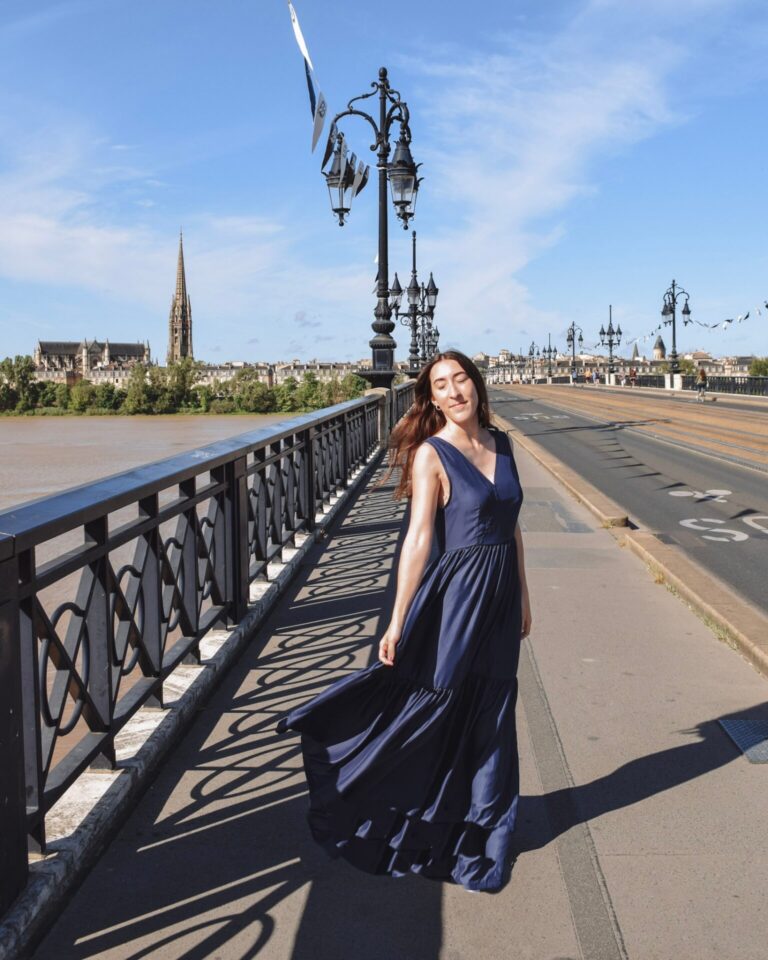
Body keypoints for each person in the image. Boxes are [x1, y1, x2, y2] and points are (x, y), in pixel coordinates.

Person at [276, 350, 531, 893]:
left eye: (461, 379)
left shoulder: (503, 444)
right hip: (458, 595)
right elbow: (417, 539)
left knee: (492, 706)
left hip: (502, 595)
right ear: (433, 399)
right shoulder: (432, 455)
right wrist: (397, 621)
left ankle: (485, 830)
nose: (455, 391)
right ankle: (376, 799)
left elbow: (513, 528)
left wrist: (525, 597)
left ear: (477, 385)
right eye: (442, 384)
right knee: (438, 700)